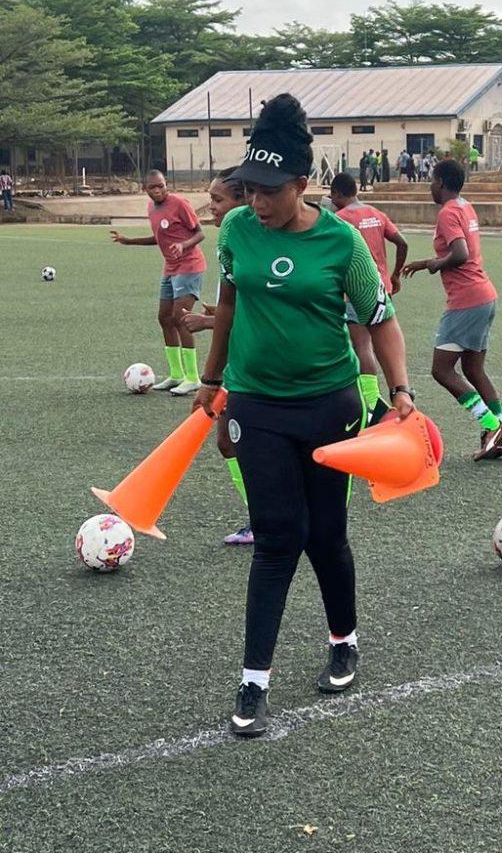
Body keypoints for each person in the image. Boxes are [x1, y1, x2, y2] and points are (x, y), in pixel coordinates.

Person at [193, 94, 414, 737]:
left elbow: (382, 321)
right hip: (256, 405)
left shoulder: (341, 242)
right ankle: (253, 681)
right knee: (275, 536)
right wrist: (211, 381)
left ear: (301, 184)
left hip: (330, 406)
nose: (254, 201)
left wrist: (400, 393)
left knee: (325, 534)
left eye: (268, 190)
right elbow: (229, 305)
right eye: (247, 189)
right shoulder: (236, 231)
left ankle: (343, 639)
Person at [402, 158, 502, 461]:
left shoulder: (447, 212)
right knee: (473, 368)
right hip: (484, 295)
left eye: (431, 179)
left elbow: (461, 253)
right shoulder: (465, 206)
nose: (429, 185)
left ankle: (494, 426)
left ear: (440, 182)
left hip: (467, 300)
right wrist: (430, 261)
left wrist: (432, 264)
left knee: (441, 369)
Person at [181, 168, 254, 546]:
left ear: (244, 202)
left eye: (218, 201)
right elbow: (235, 307)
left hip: (251, 370)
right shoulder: (233, 241)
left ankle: (267, 520)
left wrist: (207, 322)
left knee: (235, 442)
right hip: (237, 368)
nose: (211, 209)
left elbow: (255, 317)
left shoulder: (251, 243)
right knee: (228, 441)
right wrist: (215, 316)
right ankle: (264, 518)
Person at [111, 170, 206, 395]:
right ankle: (176, 375)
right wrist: (129, 241)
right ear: (146, 190)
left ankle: (193, 377)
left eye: (161, 186)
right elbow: (160, 238)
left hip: (190, 265)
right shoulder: (152, 209)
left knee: (180, 318)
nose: (158, 190)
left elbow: (200, 233)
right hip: (171, 268)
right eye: (153, 187)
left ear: (166, 185)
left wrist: (184, 245)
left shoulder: (179, 204)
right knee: (164, 318)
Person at [330, 172, 409, 417]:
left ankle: (373, 402)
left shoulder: (340, 219)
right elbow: (402, 243)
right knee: (383, 343)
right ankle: (399, 393)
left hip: (356, 290)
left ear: (337, 194)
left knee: (362, 346)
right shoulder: (376, 213)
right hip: (381, 287)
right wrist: (395, 275)